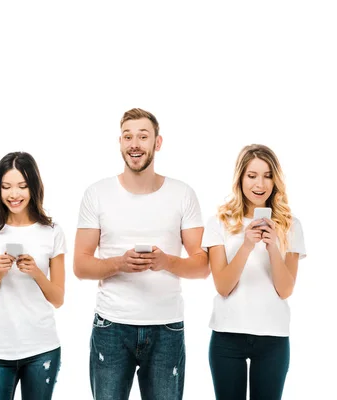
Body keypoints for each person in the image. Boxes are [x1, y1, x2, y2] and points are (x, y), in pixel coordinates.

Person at [73, 108, 209, 400]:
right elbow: (80, 266)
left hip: (166, 327)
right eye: (128, 136)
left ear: (157, 143)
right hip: (111, 326)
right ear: (120, 143)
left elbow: (202, 266)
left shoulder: (182, 193)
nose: (135, 143)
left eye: (143, 136)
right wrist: (119, 264)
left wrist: (166, 262)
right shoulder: (96, 193)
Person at [202, 144, 306, 400]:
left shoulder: (291, 226)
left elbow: (285, 290)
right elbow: (223, 286)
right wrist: (247, 245)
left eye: (268, 175)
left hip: (273, 339)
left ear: (275, 180)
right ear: (240, 178)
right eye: (252, 175)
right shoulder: (220, 223)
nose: (260, 184)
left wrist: (272, 246)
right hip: (227, 337)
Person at [0, 151, 66, 400]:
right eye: (6, 187)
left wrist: (35, 273)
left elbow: (57, 298)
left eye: (22, 186)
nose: (14, 194)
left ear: (33, 187)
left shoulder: (52, 232)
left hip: (42, 348)